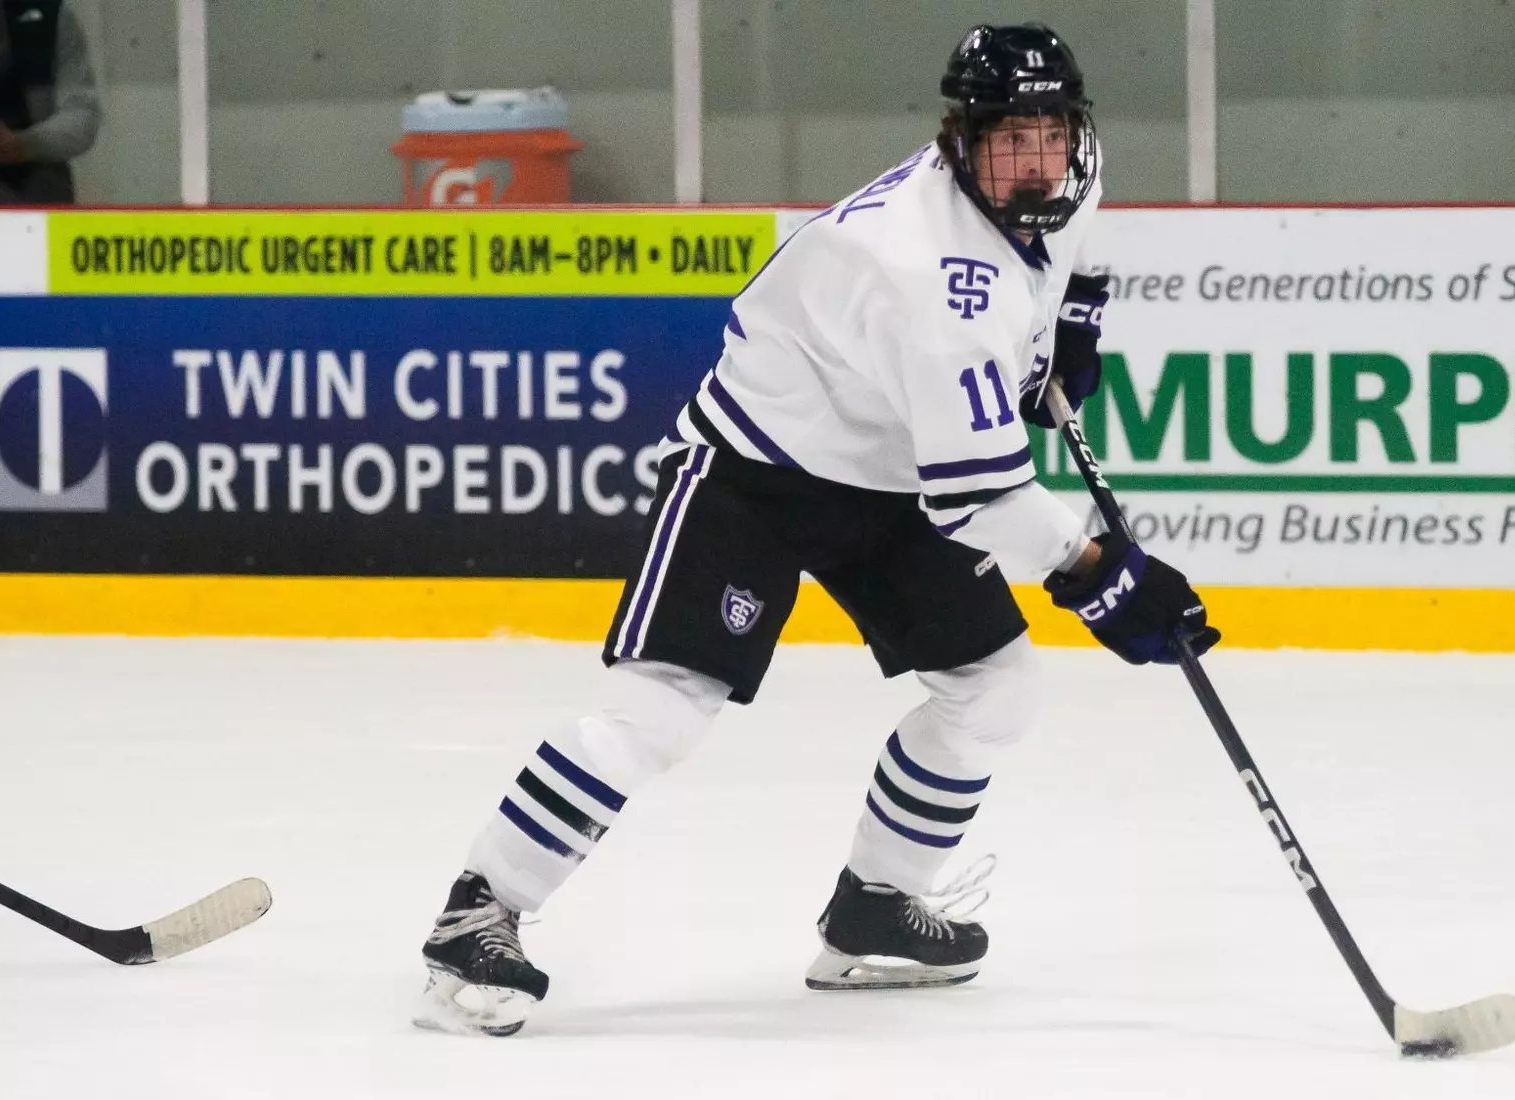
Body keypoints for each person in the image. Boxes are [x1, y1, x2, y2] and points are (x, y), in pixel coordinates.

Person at [412, 22, 1220, 1038]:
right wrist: (1101, 575)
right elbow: (980, 493)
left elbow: (1078, 248)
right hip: (761, 469)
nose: (1033, 164)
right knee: (660, 707)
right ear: (956, 141)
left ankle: (875, 909)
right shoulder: (924, 275)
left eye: (1050, 134)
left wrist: (1076, 325)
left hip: (890, 473)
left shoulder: (1063, 180)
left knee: (995, 685)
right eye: (1006, 140)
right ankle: (476, 913)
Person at [0, 0, 100, 205]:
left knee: (46, 185)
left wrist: (21, 145)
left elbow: (82, 117)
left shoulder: (49, 15)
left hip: (35, 179)